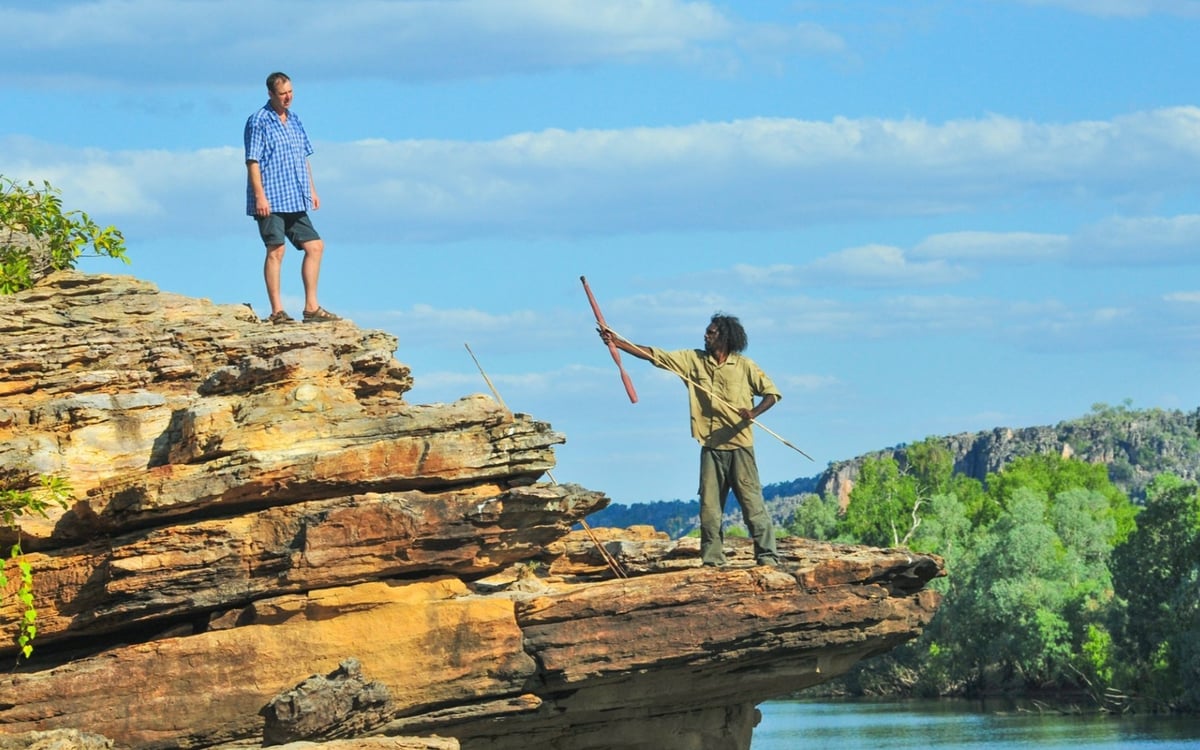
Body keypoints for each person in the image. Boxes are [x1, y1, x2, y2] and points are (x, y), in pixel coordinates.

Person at [600, 313, 782, 567]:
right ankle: (712, 562)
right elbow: (656, 356)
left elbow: (772, 394)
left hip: (740, 447)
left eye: (712, 333)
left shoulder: (744, 366)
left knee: (753, 507)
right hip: (710, 448)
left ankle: (768, 558)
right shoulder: (693, 361)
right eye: (707, 332)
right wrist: (618, 342)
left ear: (725, 337)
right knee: (709, 511)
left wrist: (753, 413)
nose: (706, 336)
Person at [244, 71, 340, 324]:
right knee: (276, 250)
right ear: (270, 94)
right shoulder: (259, 121)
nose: (287, 97)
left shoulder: (295, 119)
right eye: (282, 93)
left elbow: (303, 158)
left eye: (290, 92)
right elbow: (252, 162)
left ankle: (311, 308)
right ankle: (277, 312)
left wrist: (312, 189)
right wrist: (259, 196)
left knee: (315, 246)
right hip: (270, 197)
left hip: (295, 196)